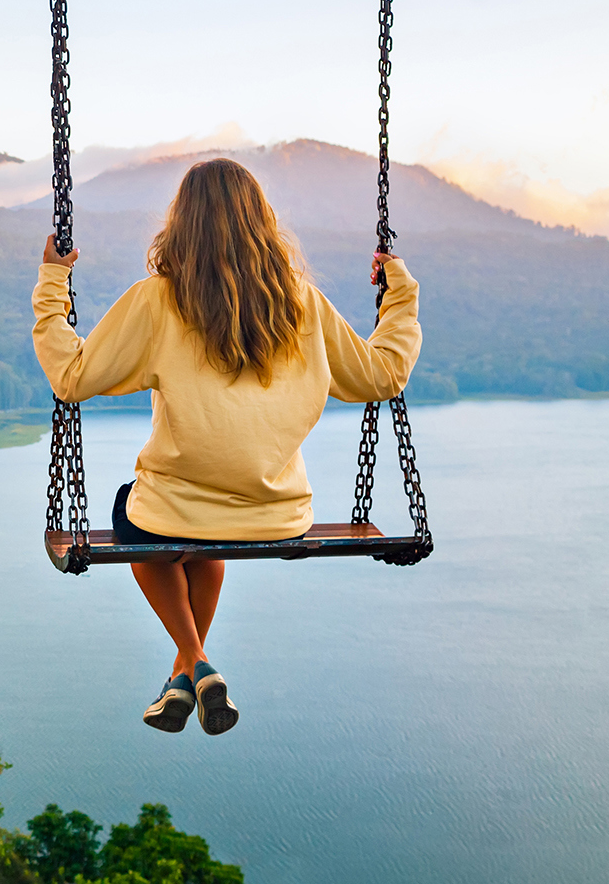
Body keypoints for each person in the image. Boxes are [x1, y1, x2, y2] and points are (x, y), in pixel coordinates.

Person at [31, 158, 421, 735]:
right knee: (200, 535)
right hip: (277, 517)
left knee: (140, 517)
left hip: (177, 513)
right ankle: (186, 672)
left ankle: (193, 663)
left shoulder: (159, 301)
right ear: (262, 223)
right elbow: (384, 375)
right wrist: (399, 295)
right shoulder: (302, 305)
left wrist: (51, 282)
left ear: (180, 224)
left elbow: (72, 376)